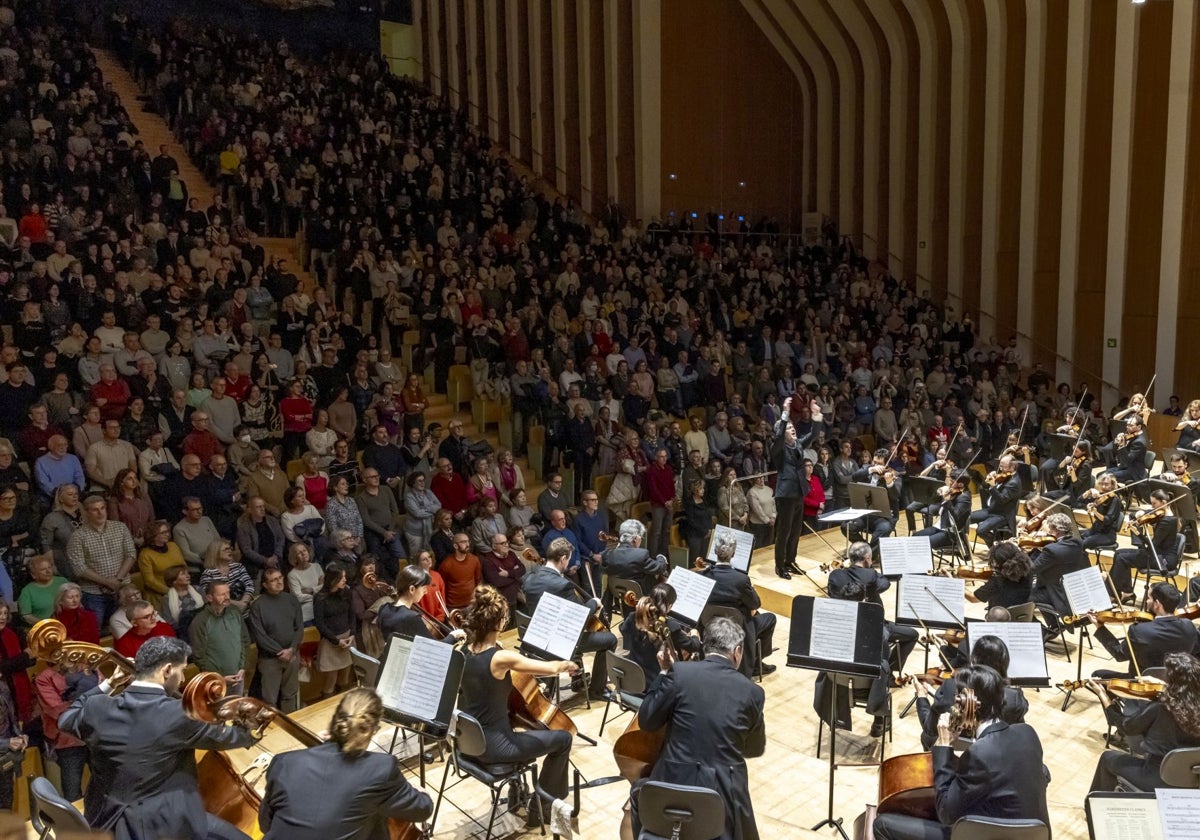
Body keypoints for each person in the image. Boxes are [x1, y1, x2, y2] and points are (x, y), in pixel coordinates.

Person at [59, 636, 258, 840]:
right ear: (168, 670)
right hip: (161, 824)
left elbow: (65, 720)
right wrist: (252, 720)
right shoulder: (179, 714)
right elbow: (237, 737)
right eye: (182, 670)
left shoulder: (97, 707)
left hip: (103, 819)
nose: (182, 679)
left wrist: (109, 683)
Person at [872, 664, 1050, 840]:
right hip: (1029, 835)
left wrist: (943, 746)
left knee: (882, 824)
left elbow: (946, 812)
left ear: (969, 704)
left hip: (983, 836)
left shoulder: (979, 753)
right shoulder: (1028, 734)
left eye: (958, 699)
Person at [631, 616, 765, 840]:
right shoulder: (752, 692)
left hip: (670, 789)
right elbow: (753, 748)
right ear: (737, 651)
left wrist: (664, 673)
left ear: (703, 643)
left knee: (638, 795)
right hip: (722, 799)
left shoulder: (680, 673)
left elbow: (647, 720)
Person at [459, 585, 578, 828]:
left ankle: (518, 792)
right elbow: (547, 669)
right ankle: (541, 808)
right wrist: (566, 664)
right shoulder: (500, 658)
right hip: (496, 747)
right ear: (501, 622)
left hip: (468, 743)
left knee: (521, 728)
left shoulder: (463, 651)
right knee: (563, 739)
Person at [259, 687, 433, 840]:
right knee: (376, 811)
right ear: (372, 730)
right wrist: (421, 792)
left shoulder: (283, 762)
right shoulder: (381, 769)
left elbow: (265, 825)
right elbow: (422, 810)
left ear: (335, 720)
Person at [1088, 652, 1200, 791]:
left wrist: (1104, 697)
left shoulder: (1160, 708)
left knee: (1107, 758)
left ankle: (1093, 807)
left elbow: (1126, 727)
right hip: (1193, 779)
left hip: (1158, 776)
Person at [523, 537, 616, 700]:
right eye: (568, 559)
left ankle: (578, 679)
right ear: (563, 559)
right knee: (610, 639)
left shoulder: (529, 579)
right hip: (558, 642)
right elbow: (580, 615)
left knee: (576, 632)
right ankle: (597, 690)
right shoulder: (562, 585)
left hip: (535, 639)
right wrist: (594, 603)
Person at [910, 634, 1029, 751]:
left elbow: (929, 728)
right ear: (1005, 663)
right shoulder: (1014, 698)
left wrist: (921, 697)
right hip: (995, 752)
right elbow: (1016, 733)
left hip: (952, 753)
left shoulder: (950, 687)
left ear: (973, 660)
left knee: (927, 737)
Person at [702, 531, 777, 677]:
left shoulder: (704, 575)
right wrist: (752, 589)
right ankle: (756, 662)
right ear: (734, 554)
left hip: (711, 623)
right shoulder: (740, 579)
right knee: (770, 618)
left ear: (715, 552)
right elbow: (756, 603)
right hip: (738, 626)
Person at [1090, 583, 1198, 677]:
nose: (1146, 601)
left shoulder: (1139, 631)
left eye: (1148, 598)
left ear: (1157, 604)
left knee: (1097, 675)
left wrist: (1100, 627)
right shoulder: (1189, 626)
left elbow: (1119, 654)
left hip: (1143, 684)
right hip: (1176, 683)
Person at [67, 494, 136, 630]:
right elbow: (79, 568)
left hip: (122, 588)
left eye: (102, 508)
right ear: (86, 512)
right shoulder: (78, 536)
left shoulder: (120, 528)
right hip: (93, 593)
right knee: (94, 630)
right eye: (95, 510)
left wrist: (117, 580)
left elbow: (131, 554)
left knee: (129, 626)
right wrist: (107, 582)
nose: (100, 513)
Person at [247, 567, 304, 712]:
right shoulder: (257, 606)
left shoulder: (291, 599)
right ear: (265, 585)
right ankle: (272, 730)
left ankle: (290, 726)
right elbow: (260, 636)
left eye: (280, 578)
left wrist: (291, 649)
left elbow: (299, 628)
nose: (279, 582)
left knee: (290, 694)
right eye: (273, 580)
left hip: (292, 655)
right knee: (269, 700)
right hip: (270, 660)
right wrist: (280, 652)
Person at [619, 583, 703, 678]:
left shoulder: (633, 617)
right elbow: (693, 646)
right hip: (657, 677)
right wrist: (694, 634)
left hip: (635, 671)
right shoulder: (670, 626)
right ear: (669, 606)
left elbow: (623, 629)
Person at [1110, 490, 1179, 602]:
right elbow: (1137, 515)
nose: (1152, 506)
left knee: (1121, 558)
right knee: (1118, 552)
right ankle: (1127, 592)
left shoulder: (1168, 521)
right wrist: (1139, 513)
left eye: (1154, 503)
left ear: (1164, 502)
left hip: (1163, 559)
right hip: (1155, 552)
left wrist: (1138, 533)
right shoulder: (1161, 513)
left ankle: (1115, 594)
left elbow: (1153, 544)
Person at [1027, 512, 1090, 631]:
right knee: (1036, 588)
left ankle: (1044, 631)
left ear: (1056, 530)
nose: (1048, 532)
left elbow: (1032, 569)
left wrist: (1024, 552)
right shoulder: (1077, 542)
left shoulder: (1051, 550)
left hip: (1058, 594)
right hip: (1073, 590)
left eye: (1050, 529)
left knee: (1021, 597)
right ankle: (1054, 626)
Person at [376, 565, 466, 643]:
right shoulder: (411, 617)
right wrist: (453, 636)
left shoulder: (384, 609)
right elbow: (434, 647)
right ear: (412, 589)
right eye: (423, 587)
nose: (426, 592)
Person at [771, 399, 810, 578]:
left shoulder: (798, 445)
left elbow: (813, 436)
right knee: (784, 532)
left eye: (793, 426)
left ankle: (790, 561)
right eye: (788, 427)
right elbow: (779, 435)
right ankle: (780, 566)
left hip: (799, 492)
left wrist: (816, 418)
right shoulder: (777, 447)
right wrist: (785, 413)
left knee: (795, 532)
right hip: (786, 495)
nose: (792, 428)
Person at [189, 581, 249, 696]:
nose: (227, 597)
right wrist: (220, 677)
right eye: (222, 594)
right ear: (209, 597)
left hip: (238, 677)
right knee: (217, 713)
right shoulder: (200, 621)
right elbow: (199, 656)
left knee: (235, 711)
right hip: (215, 682)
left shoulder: (235, 612)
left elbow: (244, 641)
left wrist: (242, 668)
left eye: (228, 593)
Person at [601, 518, 669, 609]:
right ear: (635, 539)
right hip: (642, 599)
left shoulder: (608, 555)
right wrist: (661, 558)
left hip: (619, 597)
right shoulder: (641, 555)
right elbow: (659, 568)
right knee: (663, 577)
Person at [313, 563, 355, 698]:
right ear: (333, 579)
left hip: (348, 639)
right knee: (330, 680)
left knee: (345, 680)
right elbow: (319, 623)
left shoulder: (346, 592)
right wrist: (336, 641)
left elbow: (352, 615)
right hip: (332, 641)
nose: (345, 580)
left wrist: (352, 634)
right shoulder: (320, 598)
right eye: (342, 578)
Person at [967, 454, 1024, 549]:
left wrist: (993, 486)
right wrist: (988, 479)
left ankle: (996, 548)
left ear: (1013, 467)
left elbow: (1002, 500)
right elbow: (984, 488)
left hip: (1002, 514)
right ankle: (963, 547)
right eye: (1000, 465)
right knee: (966, 517)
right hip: (991, 510)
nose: (1001, 469)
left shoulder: (1014, 483)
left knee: (981, 530)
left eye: (1004, 466)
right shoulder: (1003, 476)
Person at [964, 541, 1033, 609]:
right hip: (1023, 615)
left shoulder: (997, 581)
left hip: (1000, 617)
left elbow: (973, 598)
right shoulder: (1028, 570)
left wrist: (961, 587)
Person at [439, 532, 483, 610]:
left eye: (468, 541)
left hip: (471, 603)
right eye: (463, 542)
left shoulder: (474, 560)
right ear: (455, 546)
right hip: (453, 606)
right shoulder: (446, 564)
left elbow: (478, 580)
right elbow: (442, 586)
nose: (467, 544)